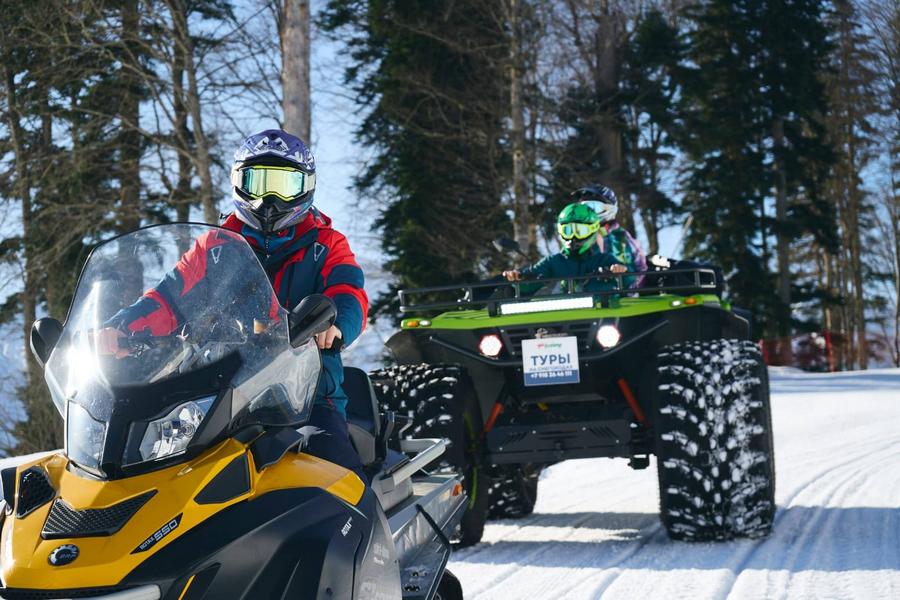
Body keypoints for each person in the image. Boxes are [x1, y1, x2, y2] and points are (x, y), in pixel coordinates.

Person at [98, 129, 369, 481]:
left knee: (336, 473)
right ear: (238, 183)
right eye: (256, 182)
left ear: (306, 187)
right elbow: (167, 298)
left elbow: (349, 290)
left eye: (284, 184)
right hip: (220, 390)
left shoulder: (326, 243)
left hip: (306, 392)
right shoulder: (214, 247)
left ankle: (370, 531)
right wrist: (119, 328)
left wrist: (337, 323)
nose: (269, 198)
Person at [503, 203, 627, 291]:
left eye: (580, 230)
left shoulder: (604, 260)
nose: (573, 236)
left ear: (593, 230)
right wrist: (518, 278)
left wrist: (619, 271)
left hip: (602, 314)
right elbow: (531, 281)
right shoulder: (553, 262)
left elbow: (630, 280)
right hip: (559, 318)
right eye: (567, 230)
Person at [570, 184, 647, 288]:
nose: (589, 212)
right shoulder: (577, 236)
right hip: (587, 296)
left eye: (593, 207)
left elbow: (641, 269)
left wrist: (628, 281)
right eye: (585, 208)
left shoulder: (622, 238)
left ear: (609, 209)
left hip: (621, 296)